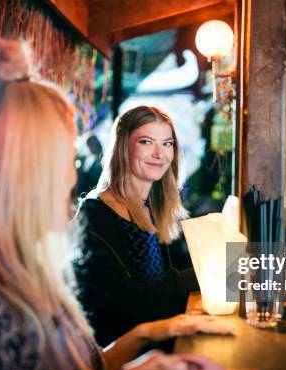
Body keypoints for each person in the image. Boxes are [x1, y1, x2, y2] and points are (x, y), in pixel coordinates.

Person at [0, 38, 227, 370]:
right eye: (60, 162)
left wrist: (149, 336)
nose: (71, 181)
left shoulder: (28, 273)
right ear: (15, 175)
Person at [73, 106, 199, 347]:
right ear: (123, 148)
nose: (159, 154)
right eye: (146, 142)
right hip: (118, 362)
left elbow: (163, 284)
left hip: (157, 347)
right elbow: (125, 307)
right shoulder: (94, 215)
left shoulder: (152, 209)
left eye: (167, 143)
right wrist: (201, 275)